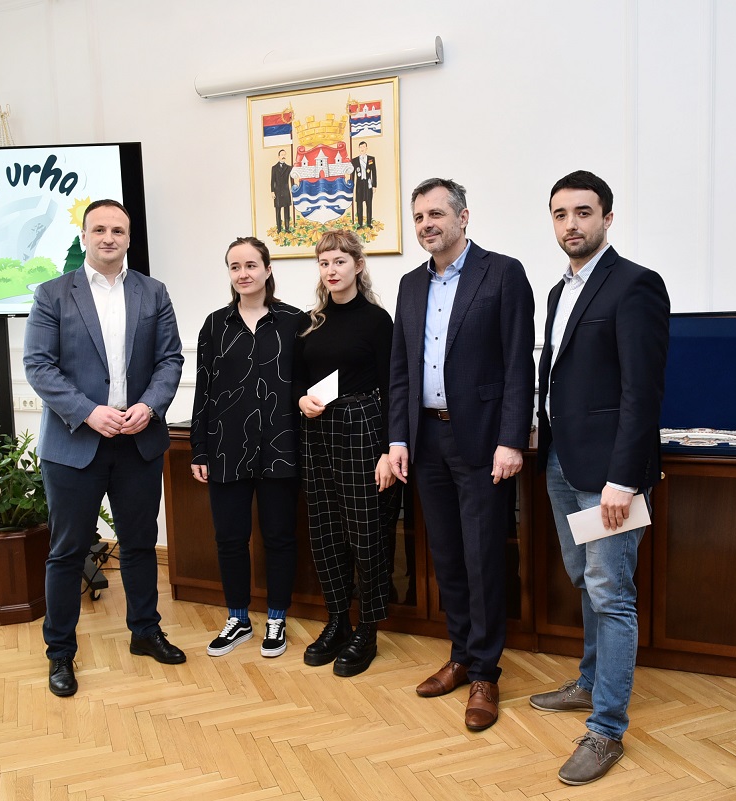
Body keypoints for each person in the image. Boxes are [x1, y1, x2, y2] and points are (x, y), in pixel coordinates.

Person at [530, 170, 669, 785]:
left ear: (607, 218)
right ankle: (588, 682)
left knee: (611, 594)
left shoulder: (635, 284)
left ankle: (607, 729)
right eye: (561, 214)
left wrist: (624, 479)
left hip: (610, 475)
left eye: (583, 213)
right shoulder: (558, 292)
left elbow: (643, 393)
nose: (571, 224)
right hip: (562, 464)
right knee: (584, 581)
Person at [387, 178, 535, 732]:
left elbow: (518, 363)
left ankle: (486, 674)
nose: (427, 225)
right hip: (425, 441)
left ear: (463, 217)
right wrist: (398, 439)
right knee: (446, 556)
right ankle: (461, 655)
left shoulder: (503, 273)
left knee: (482, 557)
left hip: (481, 441)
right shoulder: (410, 285)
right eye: (419, 217)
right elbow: (400, 370)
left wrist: (511, 440)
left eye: (436, 214)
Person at [23, 199, 185, 698]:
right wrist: (88, 412)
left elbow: (170, 359)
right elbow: (38, 365)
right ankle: (60, 653)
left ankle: (145, 632)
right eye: (99, 230)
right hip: (74, 444)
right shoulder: (52, 293)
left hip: (138, 442)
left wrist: (150, 406)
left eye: (118, 230)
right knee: (67, 551)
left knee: (139, 545)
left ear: (129, 238)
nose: (109, 238)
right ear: (84, 237)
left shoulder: (153, 292)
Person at [190, 237, 307, 659]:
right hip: (226, 447)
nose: (243, 273)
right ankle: (237, 619)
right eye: (235, 266)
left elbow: (307, 384)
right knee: (229, 538)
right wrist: (199, 449)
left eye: (251, 265)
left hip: (282, 446)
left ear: (268, 269)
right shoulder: (214, 325)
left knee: (279, 537)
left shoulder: (296, 322)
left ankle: (276, 618)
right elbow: (204, 390)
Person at [296, 229, 401, 678]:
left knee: (366, 532)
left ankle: (367, 629)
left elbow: (394, 388)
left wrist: (388, 451)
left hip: (363, 429)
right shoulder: (311, 322)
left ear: (358, 265)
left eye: (339, 261)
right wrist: (301, 399)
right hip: (317, 432)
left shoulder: (377, 321)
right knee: (325, 530)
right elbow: (297, 380)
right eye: (324, 263)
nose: (331, 270)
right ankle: (338, 619)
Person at [352, 141, 376, 228]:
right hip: (359, 184)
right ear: (359, 148)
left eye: (363, 147)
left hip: (368, 183)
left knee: (369, 203)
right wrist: (351, 185)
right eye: (361, 147)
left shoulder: (371, 159)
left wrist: (374, 185)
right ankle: (360, 224)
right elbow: (352, 174)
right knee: (359, 204)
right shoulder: (354, 160)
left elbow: (374, 173)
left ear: (366, 148)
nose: (362, 149)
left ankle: (369, 223)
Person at [271, 150, 293, 232]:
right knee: (278, 211)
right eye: (282, 155)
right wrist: (272, 191)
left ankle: (287, 228)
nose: (283, 156)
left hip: (286, 191)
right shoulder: (274, 168)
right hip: (277, 192)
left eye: (284, 154)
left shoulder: (289, 168)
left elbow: (292, 180)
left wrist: (293, 189)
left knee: (287, 211)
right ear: (278, 156)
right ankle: (279, 229)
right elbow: (272, 181)